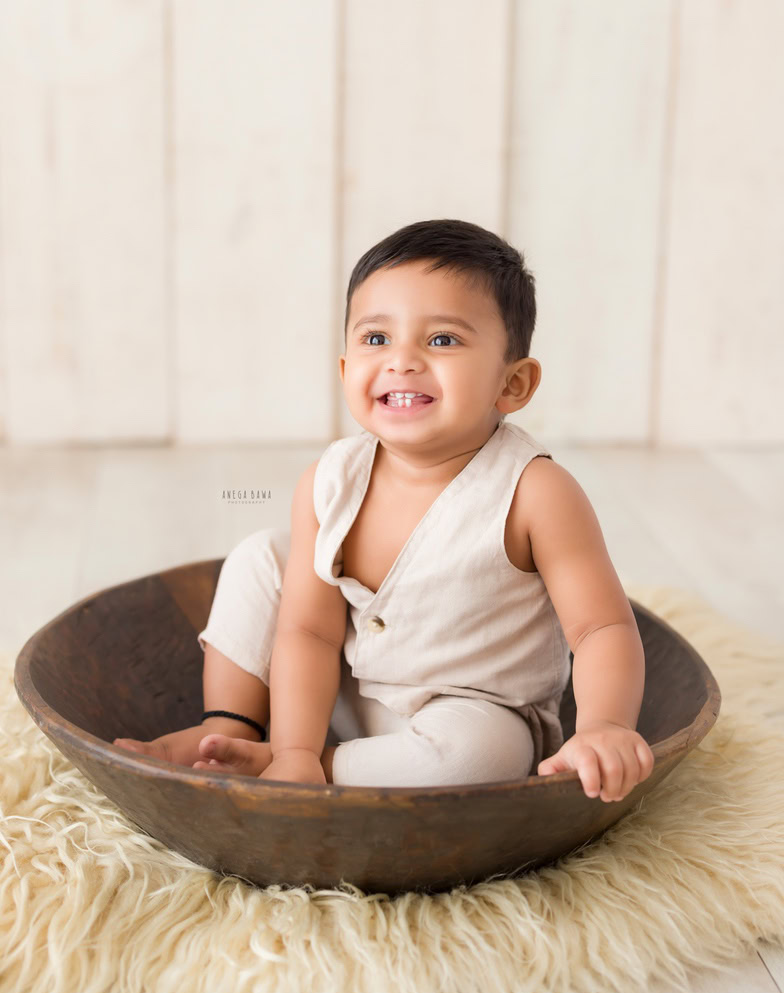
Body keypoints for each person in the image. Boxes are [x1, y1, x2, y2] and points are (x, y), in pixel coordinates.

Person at [114, 219, 654, 802]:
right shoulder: (328, 482)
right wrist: (294, 744)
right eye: (376, 339)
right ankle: (228, 733)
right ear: (347, 370)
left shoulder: (535, 491)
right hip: (333, 690)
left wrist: (604, 726)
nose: (402, 362)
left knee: (484, 755)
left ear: (513, 384)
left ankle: (302, 763)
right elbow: (308, 632)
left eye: (442, 340)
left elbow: (601, 627)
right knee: (262, 556)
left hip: (466, 715)